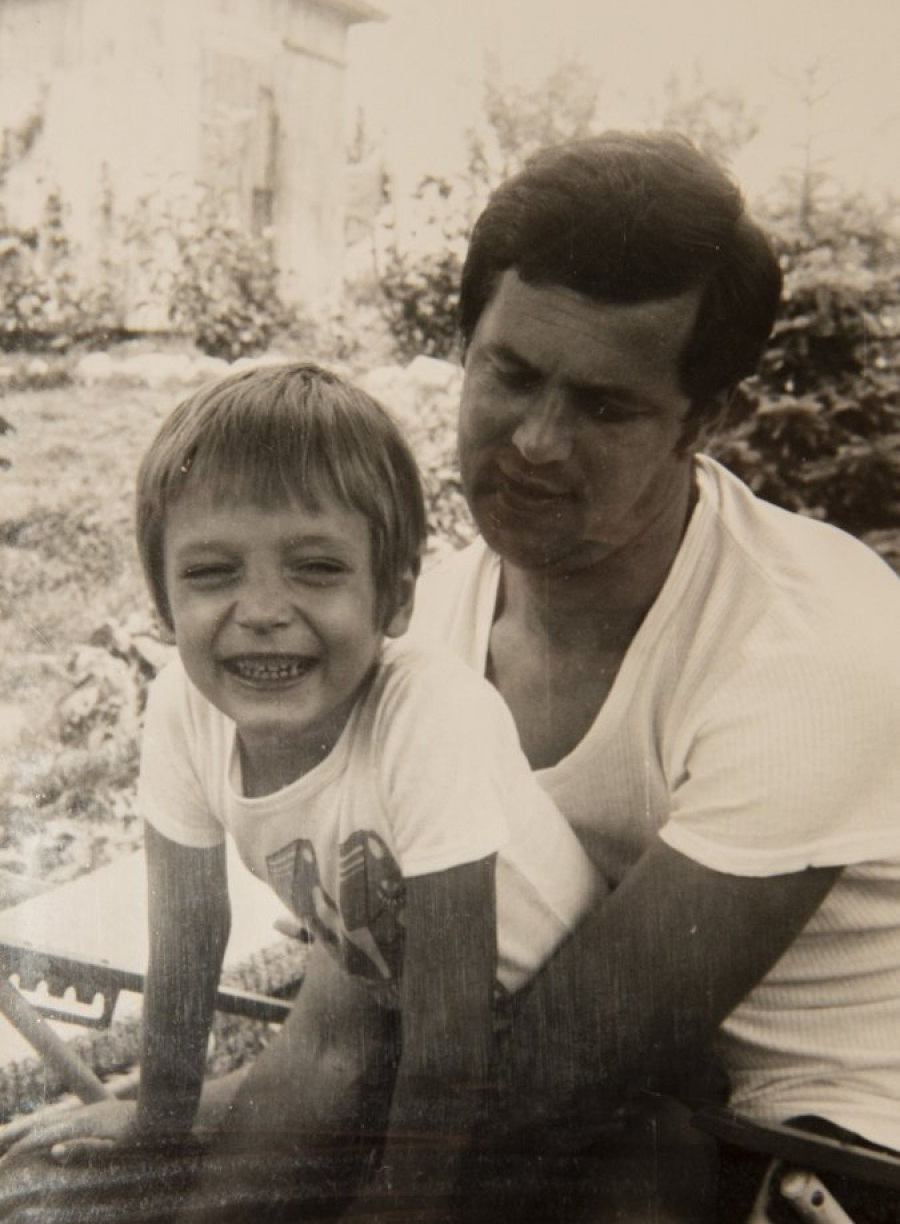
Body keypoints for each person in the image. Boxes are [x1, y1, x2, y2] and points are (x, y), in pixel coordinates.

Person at [401, 130, 900, 1220]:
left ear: (705, 420)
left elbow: (561, 1080)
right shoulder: (429, 620)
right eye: (511, 374)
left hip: (842, 1150)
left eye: (605, 406)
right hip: (646, 1138)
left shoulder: (815, 642)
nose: (537, 441)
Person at [2, 362, 602, 1223]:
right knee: (203, 1208)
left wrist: (400, 1206)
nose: (262, 610)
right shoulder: (181, 706)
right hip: (386, 1014)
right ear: (163, 603)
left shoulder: (431, 713)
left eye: (316, 568)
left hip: (558, 1037)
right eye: (213, 572)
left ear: (395, 596)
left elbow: (448, 1043)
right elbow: (187, 939)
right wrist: (157, 1122)